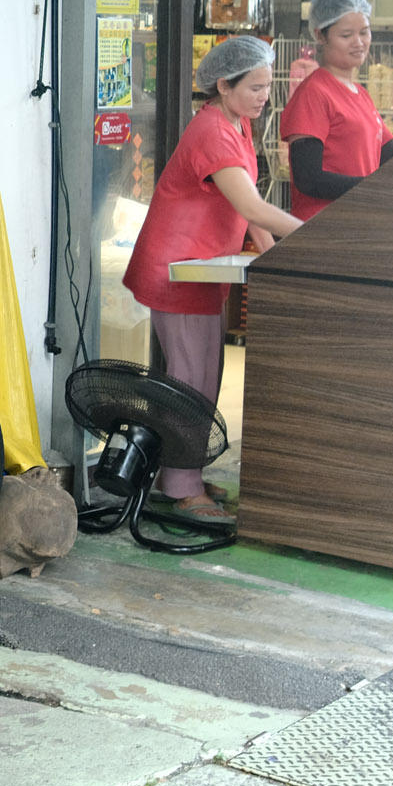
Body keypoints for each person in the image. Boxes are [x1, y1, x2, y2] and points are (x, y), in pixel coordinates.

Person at [122, 36, 301, 524]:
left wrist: (277, 254)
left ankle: (187, 474)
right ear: (224, 85)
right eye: (256, 87)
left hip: (202, 271)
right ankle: (179, 485)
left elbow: (248, 211)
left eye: (268, 86)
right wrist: (313, 234)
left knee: (207, 376)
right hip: (177, 271)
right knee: (188, 379)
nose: (265, 96)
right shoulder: (212, 132)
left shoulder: (238, 125)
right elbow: (251, 206)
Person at [281, 0, 393, 222]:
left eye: (364, 32)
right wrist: (372, 190)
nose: (358, 42)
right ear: (320, 35)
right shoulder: (314, 93)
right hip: (324, 227)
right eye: (346, 35)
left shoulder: (361, 95)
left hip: (357, 224)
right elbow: (309, 179)